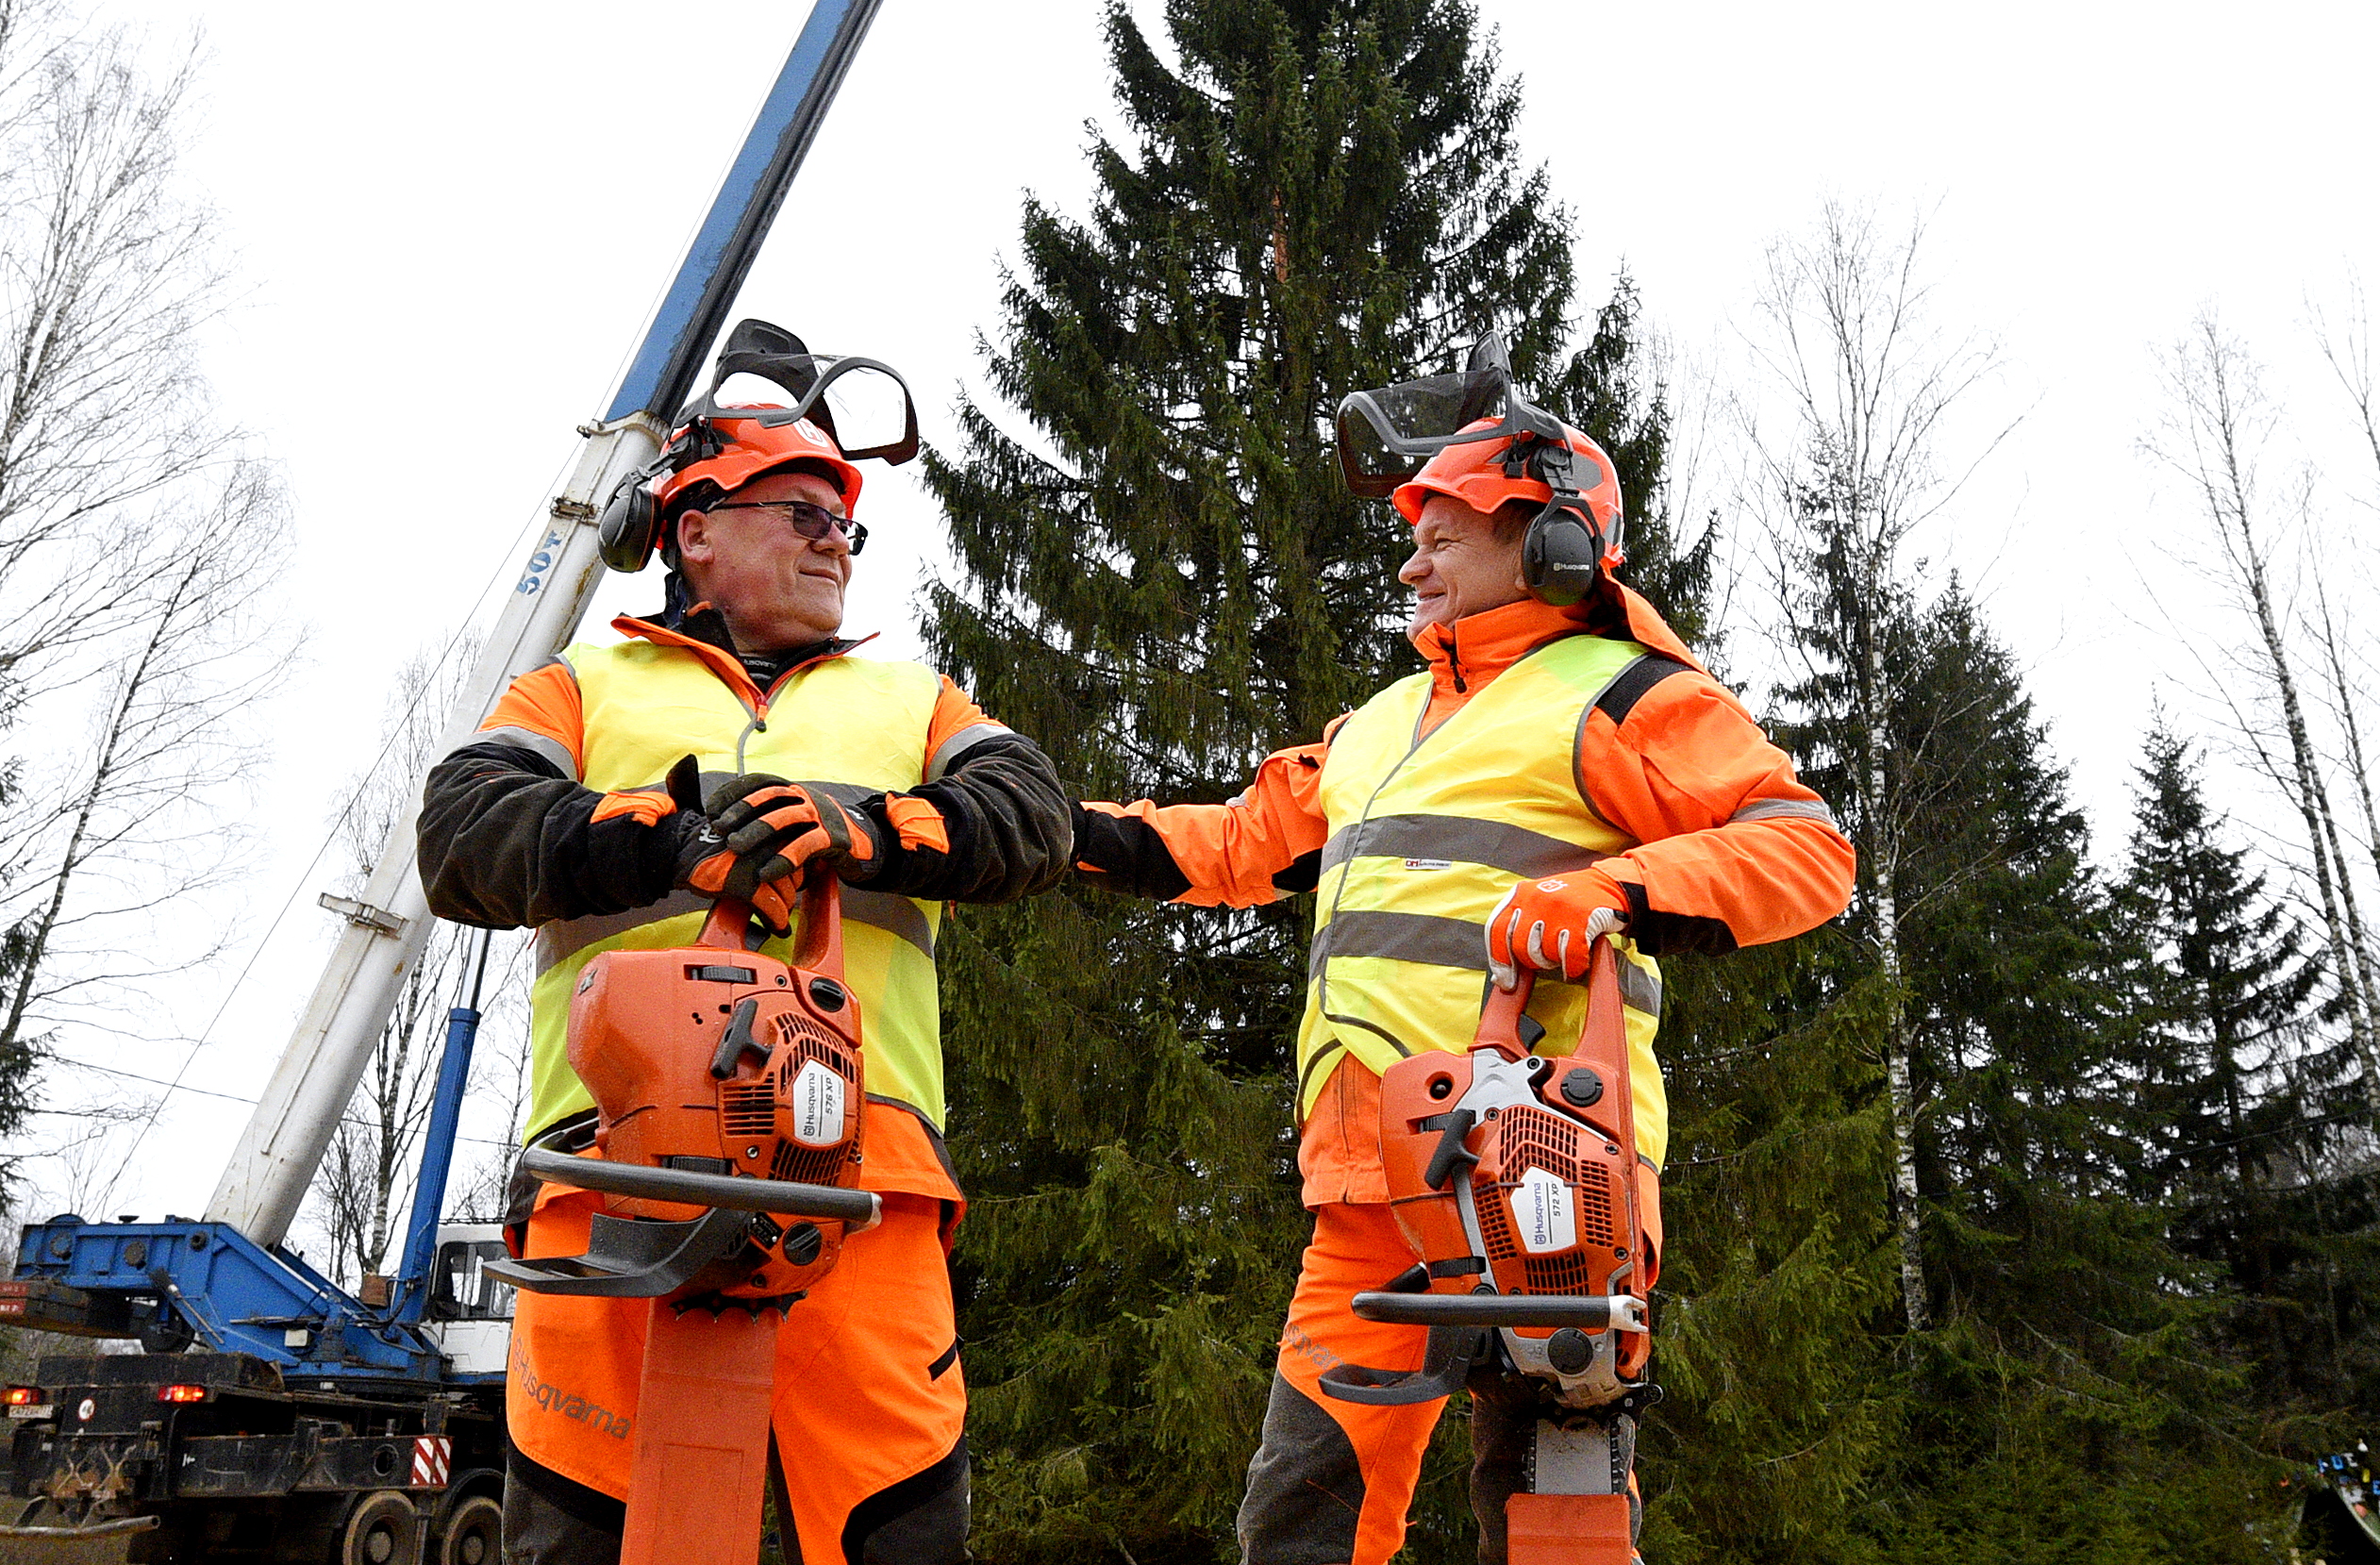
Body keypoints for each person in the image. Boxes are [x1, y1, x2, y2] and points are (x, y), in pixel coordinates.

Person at [1069, 366, 1856, 1564]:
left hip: (1550, 1174)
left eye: (1441, 539)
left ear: (1550, 544)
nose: (1409, 567)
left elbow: (1806, 849)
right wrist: (1051, 827)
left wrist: (1613, 890)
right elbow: (1232, 844)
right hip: (1368, 1187)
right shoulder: (1380, 725)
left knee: (1555, 1527)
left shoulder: (1627, 695)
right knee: (1299, 1528)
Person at [418, 406, 1071, 1565]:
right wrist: (662, 836)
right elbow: (461, 834)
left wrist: (873, 832)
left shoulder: (915, 699)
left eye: (846, 528)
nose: (835, 543)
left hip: (864, 1179)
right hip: (608, 1172)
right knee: (581, 1539)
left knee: (898, 1539)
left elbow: (1033, 815)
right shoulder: (579, 685)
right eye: (805, 513)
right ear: (697, 530)